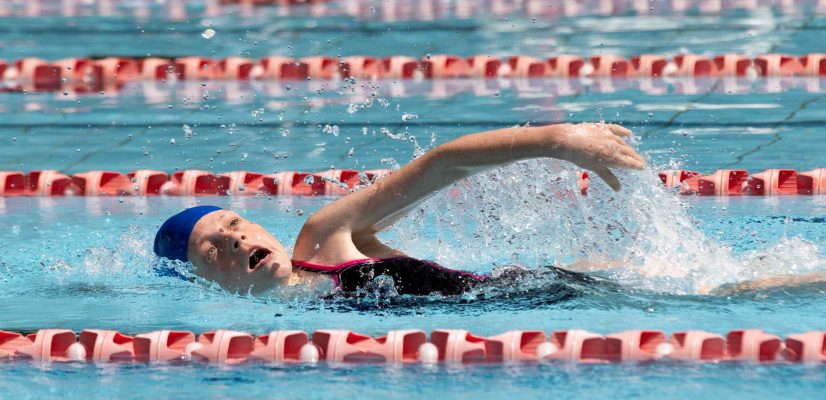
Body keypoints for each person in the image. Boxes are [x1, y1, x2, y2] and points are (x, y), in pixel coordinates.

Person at [154, 122, 644, 295]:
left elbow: (440, 165)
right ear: (201, 279)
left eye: (234, 224)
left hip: (569, 289)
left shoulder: (325, 239)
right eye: (213, 249)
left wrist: (556, 140)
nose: (235, 239)